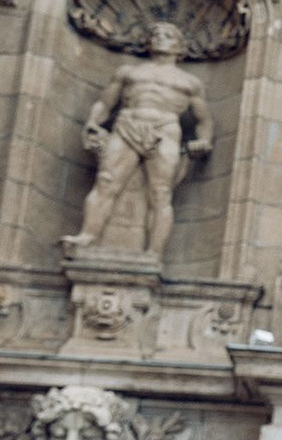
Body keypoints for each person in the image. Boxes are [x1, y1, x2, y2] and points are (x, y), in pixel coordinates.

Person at [65, 21, 214, 261]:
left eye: (167, 35)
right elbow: (106, 103)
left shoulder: (190, 83)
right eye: (154, 34)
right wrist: (93, 124)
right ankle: (87, 235)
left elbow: (203, 120)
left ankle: (154, 252)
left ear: (179, 46)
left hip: (164, 129)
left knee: (161, 192)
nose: (158, 37)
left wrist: (203, 140)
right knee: (106, 181)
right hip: (127, 123)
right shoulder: (129, 72)